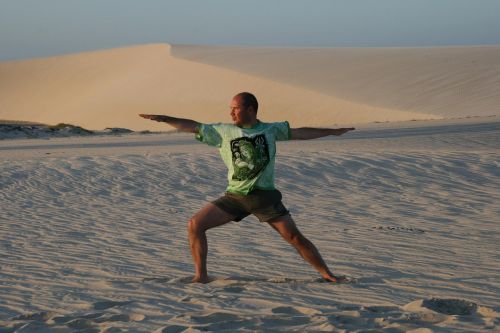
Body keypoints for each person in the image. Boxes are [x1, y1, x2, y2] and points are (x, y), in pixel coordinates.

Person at [140, 92, 355, 283]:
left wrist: (332, 132)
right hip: (235, 196)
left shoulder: (271, 129)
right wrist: (165, 118)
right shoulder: (222, 131)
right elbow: (192, 125)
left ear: (250, 110)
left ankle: (327, 274)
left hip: (264, 197)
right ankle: (201, 276)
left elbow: (302, 132)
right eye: (230, 109)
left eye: (235, 108)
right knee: (195, 224)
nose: (231, 113)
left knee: (294, 237)